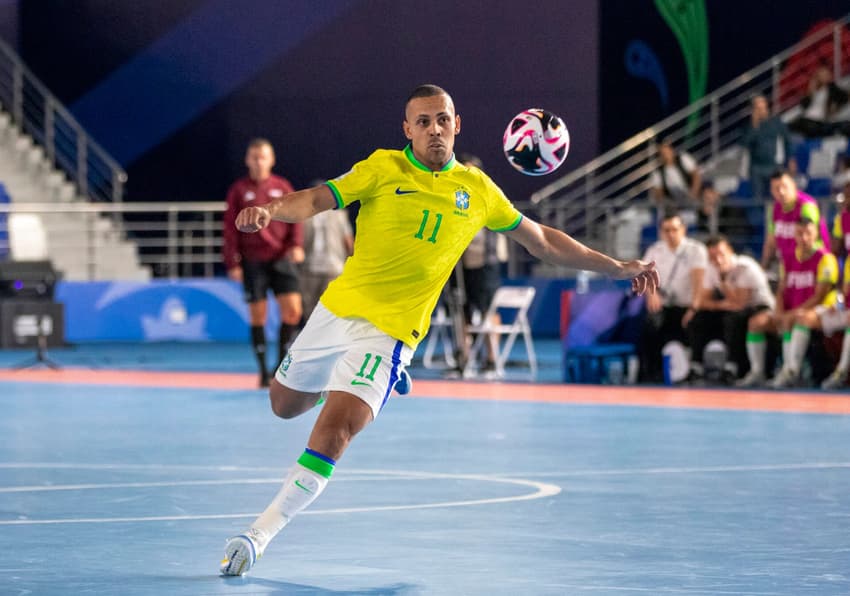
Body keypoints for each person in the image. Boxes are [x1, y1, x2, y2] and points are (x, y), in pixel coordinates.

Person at [219, 84, 659, 577]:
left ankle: (258, 534)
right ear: (407, 129)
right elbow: (319, 199)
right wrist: (272, 210)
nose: (434, 129)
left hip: (390, 332)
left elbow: (543, 241)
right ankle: (361, 382)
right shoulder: (382, 168)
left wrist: (616, 265)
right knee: (283, 405)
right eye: (423, 121)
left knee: (335, 431)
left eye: (442, 120)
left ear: (457, 124)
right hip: (337, 311)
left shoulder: (478, 189)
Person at [222, 138, 304, 388]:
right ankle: (261, 372)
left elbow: (297, 217)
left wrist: (296, 245)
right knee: (258, 316)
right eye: (254, 157)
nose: (258, 161)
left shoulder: (282, 186)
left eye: (263, 157)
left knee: (293, 311)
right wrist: (232, 262)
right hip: (252, 262)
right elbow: (229, 228)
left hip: (281, 259)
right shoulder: (238, 190)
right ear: (248, 160)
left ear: (271, 160)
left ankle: (279, 366)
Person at [737, 217, 837, 387]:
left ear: (816, 235)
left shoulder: (825, 259)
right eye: (800, 233)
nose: (804, 238)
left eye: (808, 233)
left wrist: (789, 315)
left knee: (797, 319)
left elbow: (819, 296)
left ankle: (791, 371)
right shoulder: (788, 258)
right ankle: (757, 371)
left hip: (818, 311)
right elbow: (782, 290)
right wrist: (779, 312)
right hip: (790, 310)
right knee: (756, 322)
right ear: (794, 235)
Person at [689, 236, 775, 383]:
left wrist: (723, 282)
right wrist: (721, 305)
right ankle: (696, 366)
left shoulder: (745, 267)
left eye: (721, 255)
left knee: (733, 319)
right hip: (730, 307)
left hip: (759, 308)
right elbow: (702, 301)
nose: (718, 260)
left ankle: (732, 367)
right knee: (699, 317)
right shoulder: (711, 268)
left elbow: (740, 303)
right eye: (713, 257)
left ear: (730, 251)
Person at [638, 211, 706, 383]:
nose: (671, 234)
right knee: (649, 325)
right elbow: (644, 276)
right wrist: (652, 295)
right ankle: (650, 372)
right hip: (665, 305)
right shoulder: (655, 251)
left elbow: (699, 283)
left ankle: (694, 369)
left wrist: (694, 308)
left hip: (687, 306)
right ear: (661, 232)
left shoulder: (695, 250)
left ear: (683, 230)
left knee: (694, 324)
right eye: (666, 230)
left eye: (674, 229)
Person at [760, 168, 830, 270]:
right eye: (776, 188)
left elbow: (810, 241)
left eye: (784, 186)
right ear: (771, 191)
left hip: (810, 267)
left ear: (793, 185)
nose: (781, 192)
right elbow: (771, 241)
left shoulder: (806, 206)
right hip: (788, 267)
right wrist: (763, 267)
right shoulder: (775, 209)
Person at [300, 193, 354, 320]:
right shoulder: (339, 214)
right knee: (325, 308)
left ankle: (317, 336)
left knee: (314, 307)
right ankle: (320, 337)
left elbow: (348, 241)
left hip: (318, 267)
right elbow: (348, 242)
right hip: (325, 267)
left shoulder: (305, 215)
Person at [739, 95, 790, 202]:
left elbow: (787, 140)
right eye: (758, 108)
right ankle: (759, 218)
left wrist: (791, 159)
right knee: (757, 199)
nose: (761, 110)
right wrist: (754, 125)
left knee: (777, 197)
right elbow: (744, 144)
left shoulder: (775, 122)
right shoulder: (749, 125)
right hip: (756, 167)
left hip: (773, 165)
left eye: (763, 107)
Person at [648, 139, 702, 214]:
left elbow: (696, 175)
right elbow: (658, 192)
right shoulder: (658, 172)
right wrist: (667, 203)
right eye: (662, 154)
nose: (666, 156)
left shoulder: (683, 158)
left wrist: (693, 192)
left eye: (667, 152)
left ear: (671, 150)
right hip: (673, 202)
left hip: (691, 195)